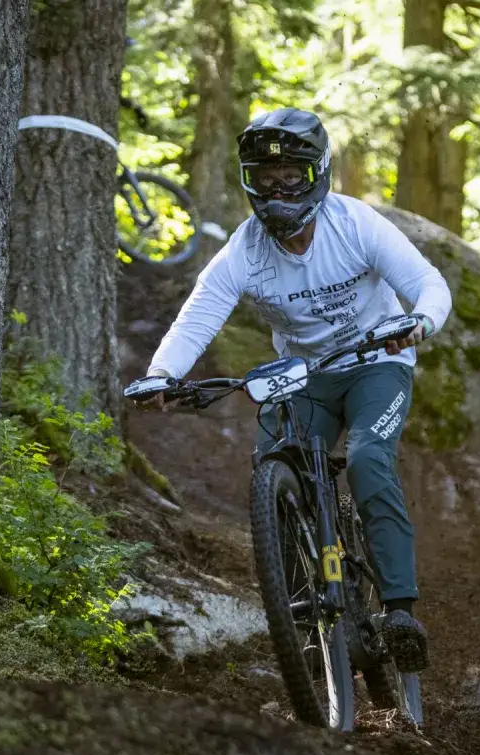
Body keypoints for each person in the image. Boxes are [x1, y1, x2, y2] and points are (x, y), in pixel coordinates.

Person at [134, 107, 451, 672]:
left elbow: (427, 282)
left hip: (378, 361)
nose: (277, 192)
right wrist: (162, 373)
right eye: (263, 180)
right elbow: (199, 314)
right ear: (248, 183)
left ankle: (400, 609)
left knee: (368, 459)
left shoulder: (355, 225)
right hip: (304, 374)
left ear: (319, 175)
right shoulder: (245, 251)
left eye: (292, 180)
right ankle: (298, 606)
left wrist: (420, 321)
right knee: (270, 462)